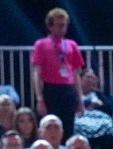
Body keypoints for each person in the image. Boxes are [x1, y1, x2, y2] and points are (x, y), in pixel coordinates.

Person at [31, 7, 83, 136]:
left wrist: (80, 98)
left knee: (68, 126)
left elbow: (76, 73)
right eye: (58, 25)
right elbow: (37, 72)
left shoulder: (72, 44)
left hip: (68, 90)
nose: (62, 28)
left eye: (64, 25)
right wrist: (39, 98)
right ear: (50, 26)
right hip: (51, 90)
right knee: (50, 125)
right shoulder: (41, 44)